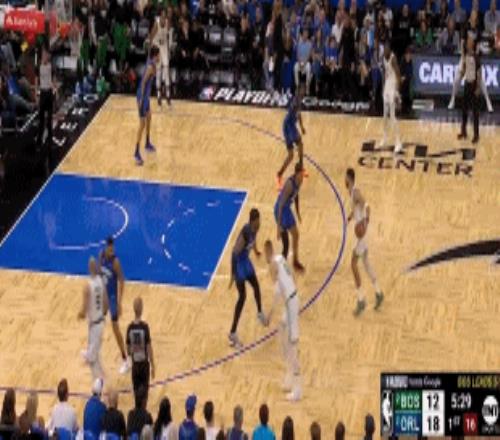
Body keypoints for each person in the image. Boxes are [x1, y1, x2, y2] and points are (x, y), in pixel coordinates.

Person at [264, 240, 302, 401]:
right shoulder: (281, 258)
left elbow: (276, 290)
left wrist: (269, 315)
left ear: (267, 253)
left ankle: (297, 390)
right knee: (281, 329)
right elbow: (288, 278)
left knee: (292, 346)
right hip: (291, 300)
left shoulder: (273, 264)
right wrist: (271, 314)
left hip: (291, 303)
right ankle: (289, 375)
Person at [345, 168, 384, 316]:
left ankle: (361, 300)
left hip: (361, 235)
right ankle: (379, 292)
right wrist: (351, 216)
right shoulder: (351, 192)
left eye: (345, 178)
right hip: (361, 233)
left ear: (349, 178)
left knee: (353, 264)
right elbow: (357, 207)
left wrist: (366, 222)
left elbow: (366, 205)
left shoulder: (356, 192)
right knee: (366, 264)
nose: (344, 181)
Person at [228, 208, 266, 349]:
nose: (259, 223)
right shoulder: (245, 232)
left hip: (246, 262)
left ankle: (260, 313)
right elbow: (234, 253)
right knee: (242, 297)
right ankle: (232, 333)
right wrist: (233, 274)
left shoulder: (255, 229)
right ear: (252, 221)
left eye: (259, 220)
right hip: (239, 265)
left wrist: (255, 251)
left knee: (256, 286)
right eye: (257, 221)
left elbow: (253, 240)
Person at [99, 237, 129, 374]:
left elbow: (122, 281)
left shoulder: (115, 262)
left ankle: (125, 360)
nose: (111, 250)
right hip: (105, 296)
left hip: (112, 298)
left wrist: (119, 302)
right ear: (106, 247)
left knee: (115, 328)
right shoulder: (101, 256)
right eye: (109, 248)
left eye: (113, 248)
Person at [78, 256, 108, 380]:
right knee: (95, 354)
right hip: (99, 322)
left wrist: (80, 314)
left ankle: (100, 382)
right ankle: (102, 377)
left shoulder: (88, 286)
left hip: (95, 324)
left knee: (92, 360)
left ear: (89, 268)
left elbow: (84, 309)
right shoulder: (101, 281)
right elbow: (106, 303)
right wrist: (102, 314)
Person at [274, 163, 305, 272]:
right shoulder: (289, 184)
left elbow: (296, 195)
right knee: (286, 244)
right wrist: (278, 227)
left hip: (287, 209)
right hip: (280, 210)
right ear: (297, 173)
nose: (303, 174)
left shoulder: (300, 181)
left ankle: (295, 261)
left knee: (296, 235)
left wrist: (298, 212)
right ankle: (280, 268)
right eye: (302, 173)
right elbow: (281, 204)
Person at [126, 297, 155, 402]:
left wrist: (134, 352)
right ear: (141, 309)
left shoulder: (130, 328)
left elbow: (128, 350)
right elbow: (149, 348)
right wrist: (153, 365)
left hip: (135, 365)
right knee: (144, 394)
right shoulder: (144, 327)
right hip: (144, 365)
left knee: (137, 395)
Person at [135, 45, 160, 165]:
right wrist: (141, 100)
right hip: (142, 97)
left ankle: (147, 143)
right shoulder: (150, 67)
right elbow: (143, 83)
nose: (160, 57)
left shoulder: (152, 63)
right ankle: (136, 153)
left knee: (149, 117)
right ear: (156, 55)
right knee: (142, 124)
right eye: (159, 55)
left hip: (146, 97)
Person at [277, 90, 305, 189]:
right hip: (288, 127)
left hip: (291, 126)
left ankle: (280, 173)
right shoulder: (295, 103)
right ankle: (281, 174)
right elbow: (295, 111)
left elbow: (299, 114)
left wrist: (301, 127)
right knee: (293, 152)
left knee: (293, 153)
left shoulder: (298, 102)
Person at [458, 36, 481, 144]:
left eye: (469, 42)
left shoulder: (476, 57)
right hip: (467, 84)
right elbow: (464, 68)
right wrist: (461, 76)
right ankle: (464, 132)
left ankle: (476, 135)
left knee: (475, 112)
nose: (467, 44)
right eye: (467, 42)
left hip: (474, 84)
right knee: (464, 110)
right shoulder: (466, 55)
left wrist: (478, 87)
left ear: (472, 44)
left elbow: (479, 73)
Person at [380, 44, 402, 154]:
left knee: (392, 116)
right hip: (387, 86)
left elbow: (398, 76)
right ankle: (385, 138)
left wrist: (397, 92)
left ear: (390, 50)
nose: (385, 52)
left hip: (393, 85)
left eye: (387, 50)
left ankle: (398, 142)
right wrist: (383, 87)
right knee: (384, 116)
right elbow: (385, 73)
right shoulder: (383, 58)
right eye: (384, 50)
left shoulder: (393, 59)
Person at [150, 9, 172, 106]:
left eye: (165, 15)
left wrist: (169, 49)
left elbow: (168, 36)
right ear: (160, 16)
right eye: (162, 15)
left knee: (166, 69)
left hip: (164, 47)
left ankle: (168, 94)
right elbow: (151, 37)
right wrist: (152, 52)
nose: (164, 16)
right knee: (158, 71)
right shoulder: (156, 23)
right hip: (157, 47)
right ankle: (158, 95)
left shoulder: (167, 22)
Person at [36, 45, 55, 162]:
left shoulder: (51, 66)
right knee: (41, 120)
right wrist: (36, 95)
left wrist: (55, 89)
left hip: (49, 93)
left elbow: (52, 79)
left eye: (47, 54)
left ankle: (50, 141)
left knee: (49, 120)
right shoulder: (38, 66)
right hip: (42, 93)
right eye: (44, 54)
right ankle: (39, 142)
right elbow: (36, 80)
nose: (46, 55)